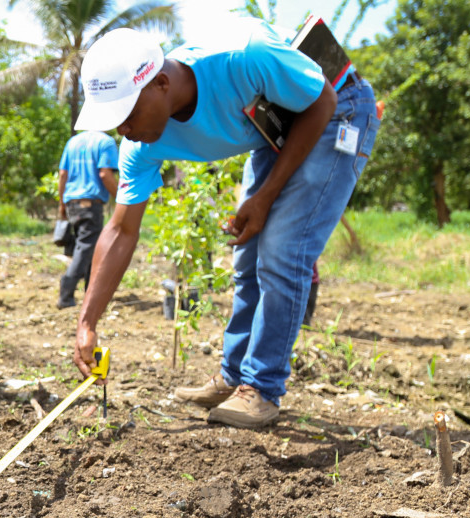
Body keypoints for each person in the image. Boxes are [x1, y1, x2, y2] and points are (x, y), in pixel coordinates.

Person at [69, 22, 379, 428]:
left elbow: (321, 100)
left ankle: (262, 388)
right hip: (276, 125)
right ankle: (235, 377)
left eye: (127, 115)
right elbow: (120, 230)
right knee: (247, 255)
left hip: (335, 106)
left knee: (282, 252)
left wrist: (264, 197)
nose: (122, 131)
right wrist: (87, 322)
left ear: (160, 83)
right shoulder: (139, 146)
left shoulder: (244, 56)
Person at [55, 130, 118, 309]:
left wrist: (62, 204)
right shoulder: (105, 142)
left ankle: (90, 292)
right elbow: (105, 174)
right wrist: (122, 199)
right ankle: (66, 293)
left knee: (90, 249)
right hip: (90, 204)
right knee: (85, 248)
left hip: (72, 203)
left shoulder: (73, 142)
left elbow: (63, 174)